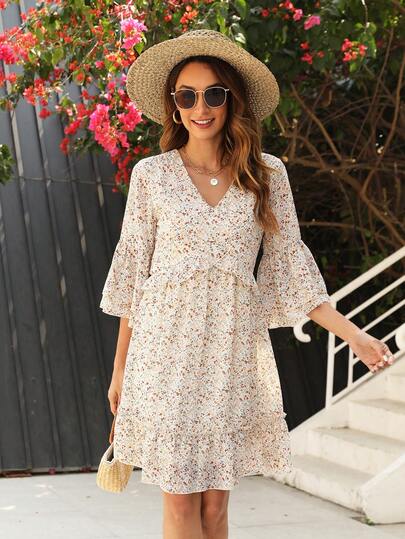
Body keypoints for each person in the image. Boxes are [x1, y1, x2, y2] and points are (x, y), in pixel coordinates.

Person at [99, 29, 396, 539]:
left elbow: (292, 271)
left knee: (216, 510)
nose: (201, 107)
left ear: (231, 100)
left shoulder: (266, 175)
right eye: (187, 95)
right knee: (181, 506)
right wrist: (120, 369)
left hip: (232, 355)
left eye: (213, 94)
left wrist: (356, 336)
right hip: (165, 354)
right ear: (174, 105)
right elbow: (133, 279)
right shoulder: (152, 176)